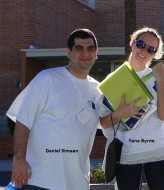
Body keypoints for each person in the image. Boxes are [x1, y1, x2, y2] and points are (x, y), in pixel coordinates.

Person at [6, 28, 101, 190]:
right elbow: (23, 121)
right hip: (40, 180)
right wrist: (19, 159)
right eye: (79, 48)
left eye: (90, 49)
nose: (85, 53)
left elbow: (108, 125)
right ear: (68, 52)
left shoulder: (98, 91)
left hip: (77, 184)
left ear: (96, 53)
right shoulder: (47, 78)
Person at [99, 27, 164, 190]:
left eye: (151, 49)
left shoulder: (161, 75)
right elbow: (103, 123)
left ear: (155, 54)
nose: (144, 50)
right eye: (141, 44)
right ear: (132, 43)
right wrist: (120, 114)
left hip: (157, 150)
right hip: (126, 154)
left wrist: (160, 80)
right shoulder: (113, 79)